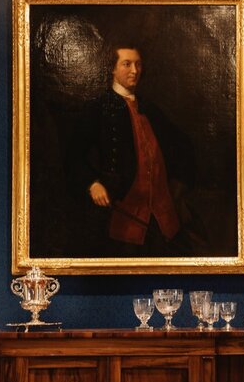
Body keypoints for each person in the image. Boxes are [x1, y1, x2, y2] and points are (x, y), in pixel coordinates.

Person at [69, 43, 197, 257]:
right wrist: (92, 184)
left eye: (138, 64)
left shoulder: (151, 108)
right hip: (122, 213)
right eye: (126, 64)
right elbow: (73, 155)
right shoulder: (98, 108)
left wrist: (178, 185)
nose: (134, 71)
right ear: (112, 68)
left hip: (162, 216)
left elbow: (181, 146)